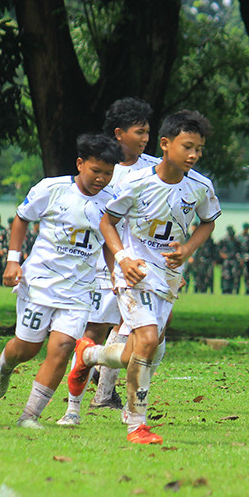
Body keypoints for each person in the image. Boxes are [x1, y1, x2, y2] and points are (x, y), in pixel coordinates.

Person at [68, 110, 220, 444]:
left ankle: (89, 355)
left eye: (199, 149)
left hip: (167, 278)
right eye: (188, 146)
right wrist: (122, 258)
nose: (194, 155)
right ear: (166, 145)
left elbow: (208, 222)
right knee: (148, 341)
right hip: (134, 274)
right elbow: (107, 221)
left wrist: (188, 249)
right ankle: (137, 424)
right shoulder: (136, 183)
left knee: (142, 349)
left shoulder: (201, 187)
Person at [0, 134, 124, 428]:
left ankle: (30, 415)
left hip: (78, 291)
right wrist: (13, 259)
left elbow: (107, 240)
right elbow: (22, 218)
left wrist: (115, 272)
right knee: (27, 349)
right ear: (80, 164)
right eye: (95, 171)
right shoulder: (52, 189)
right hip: (40, 284)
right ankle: (5, 365)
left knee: (62, 349)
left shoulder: (112, 203)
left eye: (108, 173)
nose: (101, 178)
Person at [60, 97, 157, 421]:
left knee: (136, 327)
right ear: (119, 134)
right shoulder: (103, 171)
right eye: (139, 132)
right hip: (103, 262)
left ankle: (104, 395)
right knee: (97, 327)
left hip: (140, 266)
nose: (145, 138)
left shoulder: (155, 169)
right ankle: (76, 399)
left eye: (147, 132)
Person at [190, 226, 217, 293]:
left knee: (209, 276)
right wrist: (193, 258)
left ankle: (209, 290)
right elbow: (197, 251)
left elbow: (213, 252)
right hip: (200, 261)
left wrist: (214, 260)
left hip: (208, 261)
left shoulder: (211, 242)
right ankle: (197, 290)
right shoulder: (201, 241)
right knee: (199, 276)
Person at [218, 225, 242, 294]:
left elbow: (240, 250)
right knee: (226, 275)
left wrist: (240, 259)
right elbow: (218, 249)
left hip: (234, 260)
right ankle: (225, 290)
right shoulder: (224, 240)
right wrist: (222, 254)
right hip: (226, 260)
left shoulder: (237, 241)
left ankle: (235, 289)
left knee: (235, 275)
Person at [237, 222, 249, 294]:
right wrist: (240, 259)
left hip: (247, 259)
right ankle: (236, 290)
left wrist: (247, 258)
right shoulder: (239, 237)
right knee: (237, 275)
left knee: (247, 276)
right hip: (239, 259)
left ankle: (247, 289)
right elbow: (237, 249)